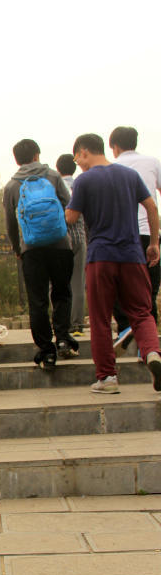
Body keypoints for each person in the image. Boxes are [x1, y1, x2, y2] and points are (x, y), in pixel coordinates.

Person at [66, 133, 161, 394]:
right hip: (132, 255)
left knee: (99, 318)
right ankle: (152, 352)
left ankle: (107, 378)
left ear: (84, 152)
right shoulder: (130, 176)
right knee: (142, 313)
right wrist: (153, 244)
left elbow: (72, 218)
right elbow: (152, 207)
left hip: (101, 257)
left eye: (78, 159)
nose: (79, 165)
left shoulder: (84, 180)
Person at [4, 138, 77, 370]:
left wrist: (18, 249)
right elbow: (69, 205)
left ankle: (47, 351)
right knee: (62, 293)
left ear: (17, 160)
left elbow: (10, 224)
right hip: (60, 245)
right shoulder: (53, 177)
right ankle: (64, 338)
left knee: (37, 301)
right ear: (37, 155)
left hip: (31, 250)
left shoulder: (11, 186)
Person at [108, 126, 161, 352]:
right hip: (150, 233)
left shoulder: (110, 168)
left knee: (119, 286)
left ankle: (124, 328)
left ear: (115, 146)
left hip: (121, 236)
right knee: (149, 287)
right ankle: (149, 341)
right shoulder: (153, 162)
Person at [56, 154, 87, 336]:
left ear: (58, 169)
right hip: (79, 238)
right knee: (78, 284)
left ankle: (62, 324)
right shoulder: (79, 185)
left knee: (59, 284)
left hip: (60, 240)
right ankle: (77, 325)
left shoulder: (54, 185)